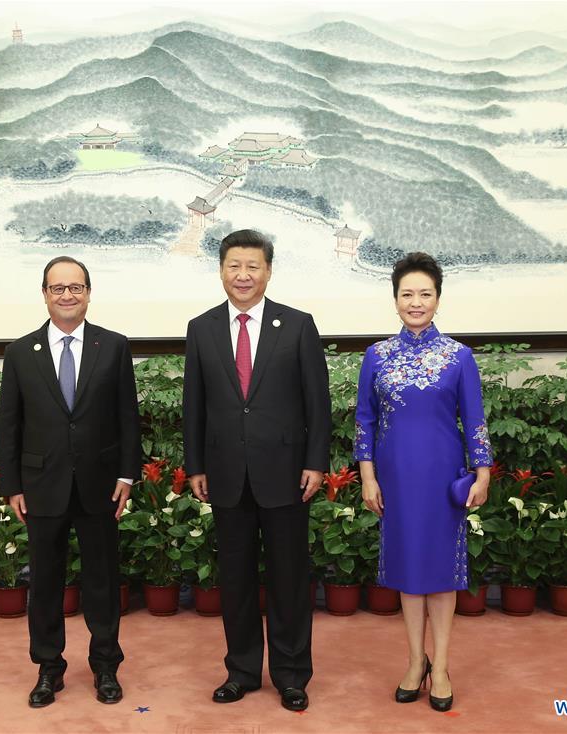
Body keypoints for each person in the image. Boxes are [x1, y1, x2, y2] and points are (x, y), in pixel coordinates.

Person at [182, 229, 332, 712]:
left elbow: (318, 403)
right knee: (236, 579)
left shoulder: (297, 325)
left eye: (253, 266)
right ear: (221, 270)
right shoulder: (201, 328)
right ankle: (242, 671)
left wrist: (315, 461)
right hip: (226, 472)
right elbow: (194, 406)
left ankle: (291, 675)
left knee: (289, 578)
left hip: (287, 472)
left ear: (268, 271)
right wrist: (196, 466)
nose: (243, 275)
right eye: (234, 266)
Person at [0, 256, 141, 708]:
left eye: (75, 287)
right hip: (41, 485)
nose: (66, 295)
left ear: (89, 293)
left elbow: (127, 417)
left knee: (102, 580)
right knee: (45, 582)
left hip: (100, 483)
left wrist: (127, 474)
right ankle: (48, 668)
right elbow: (9, 425)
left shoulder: (112, 346)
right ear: (44, 294)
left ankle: (105, 667)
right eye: (57, 288)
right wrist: (12, 486)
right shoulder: (21, 352)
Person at [354, 252, 492, 712]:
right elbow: (364, 423)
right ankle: (416, 661)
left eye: (425, 294)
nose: (416, 302)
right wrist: (367, 478)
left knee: (442, 575)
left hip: (443, 479)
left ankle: (444, 666)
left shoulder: (459, 356)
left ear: (438, 299)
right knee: (408, 575)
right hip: (394, 480)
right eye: (407, 294)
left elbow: (475, 420)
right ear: (395, 300)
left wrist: (484, 473)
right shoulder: (376, 356)